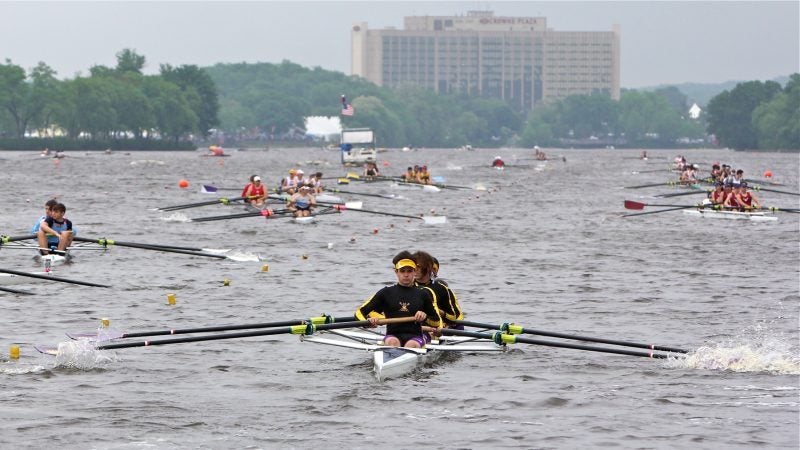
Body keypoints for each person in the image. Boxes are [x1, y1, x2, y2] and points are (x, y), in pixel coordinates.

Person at [355, 251, 442, 348]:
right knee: (393, 342)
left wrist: (424, 316)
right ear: (396, 272)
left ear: (414, 272)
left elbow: (436, 322)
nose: (406, 275)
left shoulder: (423, 294)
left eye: (409, 271)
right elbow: (359, 312)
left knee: (411, 344)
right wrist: (368, 323)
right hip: (392, 336)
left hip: (415, 337)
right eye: (402, 271)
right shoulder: (386, 293)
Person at [413, 251, 464, 329]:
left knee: (458, 327)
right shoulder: (407, 287)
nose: (414, 270)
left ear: (428, 267)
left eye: (418, 267)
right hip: (415, 328)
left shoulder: (442, 288)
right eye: (412, 267)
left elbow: (453, 318)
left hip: (438, 329)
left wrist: (441, 313)